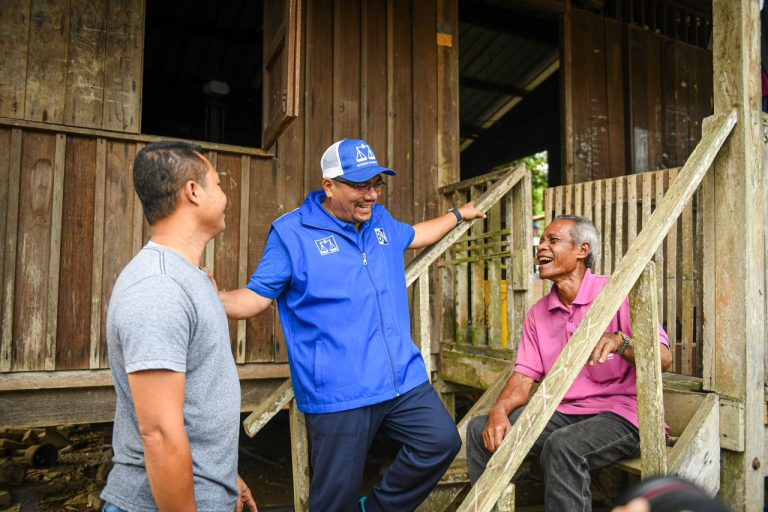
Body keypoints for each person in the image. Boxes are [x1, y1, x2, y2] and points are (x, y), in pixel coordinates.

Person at [220, 138, 485, 511]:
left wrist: (459, 214)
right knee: (334, 500)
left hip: (400, 379)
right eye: (360, 185)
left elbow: (416, 234)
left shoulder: (380, 221)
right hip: (339, 390)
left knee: (440, 442)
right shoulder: (292, 233)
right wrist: (211, 298)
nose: (372, 195)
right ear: (329, 185)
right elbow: (256, 297)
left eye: (377, 184)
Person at [466, 215, 673, 512]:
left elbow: (663, 360)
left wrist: (620, 341)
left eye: (553, 240)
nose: (541, 247)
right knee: (478, 428)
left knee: (563, 446)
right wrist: (499, 410)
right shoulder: (539, 313)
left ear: (582, 250)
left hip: (623, 415)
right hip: (564, 413)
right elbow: (524, 377)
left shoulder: (617, 292)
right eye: (542, 241)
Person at [100, 141, 257, 512]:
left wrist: (222, 478)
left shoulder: (190, 278)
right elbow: (159, 434)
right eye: (218, 185)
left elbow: (192, 402)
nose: (224, 195)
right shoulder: (158, 287)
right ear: (193, 192)